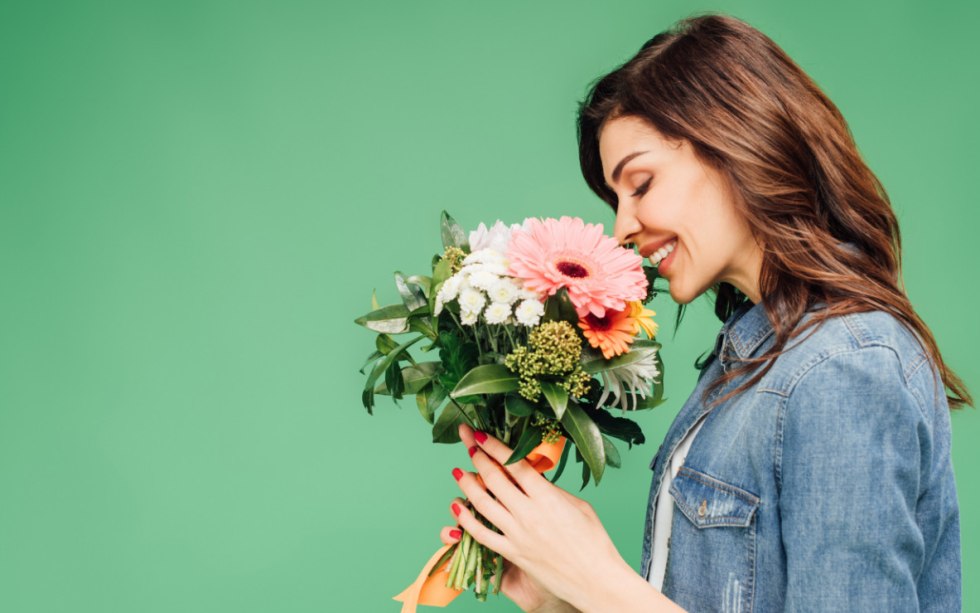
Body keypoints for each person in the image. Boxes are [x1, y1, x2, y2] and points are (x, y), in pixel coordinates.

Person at [438, 13, 971, 612]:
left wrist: (598, 581)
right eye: (616, 198)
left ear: (735, 140)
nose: (623, 228)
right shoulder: (744, 368)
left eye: (639, 184)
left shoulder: (845, 367)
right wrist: (556, 595)